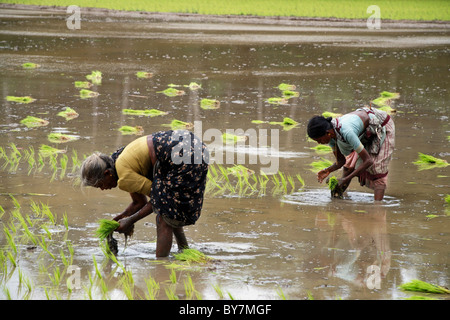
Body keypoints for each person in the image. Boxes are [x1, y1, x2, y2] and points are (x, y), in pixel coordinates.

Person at [80, 130, 209, 257]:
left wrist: (130, 220)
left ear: (107, 173)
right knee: (170, 210)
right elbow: (139, 202)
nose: (103, 189)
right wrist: (119, 219)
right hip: (192, 144)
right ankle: (184, 251)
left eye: (101, 185)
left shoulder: (124, 177)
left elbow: (158, 200)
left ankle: (161, 264)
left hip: (182, 154)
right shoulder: (118, 160)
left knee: (163, 215)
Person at [307, 106, 395, 201]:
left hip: (381, 125)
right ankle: (337, 201)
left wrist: (345, 179)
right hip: (364, 133)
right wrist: (328, 170)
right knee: (348, 167)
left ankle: (378, 208)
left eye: (319, 140)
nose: (319, 143)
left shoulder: (346, 131)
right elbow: (341, 161)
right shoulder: (332, 136)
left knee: (377, 173)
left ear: (327, 133)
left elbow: (368, 161)